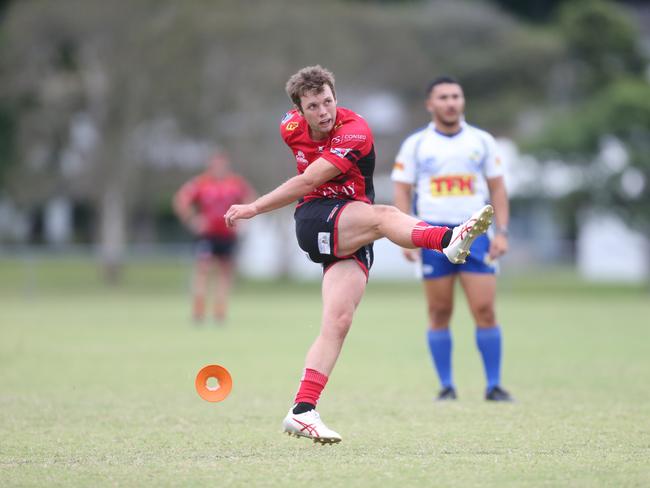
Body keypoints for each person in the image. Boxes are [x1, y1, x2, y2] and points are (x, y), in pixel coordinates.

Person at [225, 65, 493, 443]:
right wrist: (253, 207)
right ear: (299, 111)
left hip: (351, 227)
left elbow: (316, 169)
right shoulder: (288, 126)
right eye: (314, 106)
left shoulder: (355, 130)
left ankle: (302, 410)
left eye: (328, 102)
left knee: (338, 321)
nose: (324, 112)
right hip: (315, 218)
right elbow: (308, 181)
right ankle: (448, 238)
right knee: (385, 216)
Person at [391, 75, 513, 402]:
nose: (451, 102)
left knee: (485, 309)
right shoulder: (416, 145)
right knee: (439, 311)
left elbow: (498, 188)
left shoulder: (482, 142)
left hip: (476, 235)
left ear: (463, 101)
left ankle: (493, 386)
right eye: (443, 97)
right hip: (434, 237)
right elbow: (401, 190)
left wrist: (501, 232)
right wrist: (407, 236)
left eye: (456, 96)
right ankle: (446, 386)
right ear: (430, 104)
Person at [173, 151, 256, 324]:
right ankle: (199, 310)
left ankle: (220, 311)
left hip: (228, 234)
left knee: (225, 273)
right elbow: (181, 199)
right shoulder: (201, 183)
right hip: (207, 235)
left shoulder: (235, 183)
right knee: (203, 270)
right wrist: (192, 220)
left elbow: (251, 198)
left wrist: (244, 221)